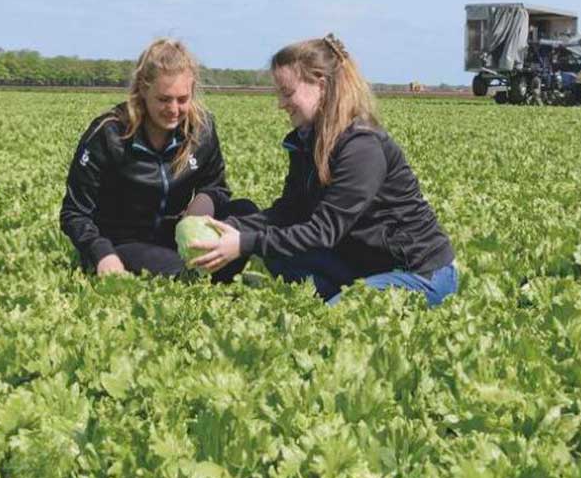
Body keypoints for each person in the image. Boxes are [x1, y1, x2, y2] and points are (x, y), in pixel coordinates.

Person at [189, 34, 457, 307]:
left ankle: (340, 296)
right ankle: (342, 291)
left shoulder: (361, 147)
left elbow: (322, 232)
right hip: (362, 263)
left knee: (332, 318)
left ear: (321, 86)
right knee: (277, 254)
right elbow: (288, 212)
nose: (281, 103)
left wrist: (244, 243)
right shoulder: (307, 141)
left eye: (287, 92)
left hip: (418, 272)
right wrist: (230, 229)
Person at [60, 38, 255, 281]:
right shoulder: (109, 134)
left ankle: (207, 274)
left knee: (248, 215)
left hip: (173, 235)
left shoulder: (201, 129)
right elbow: (74, 212)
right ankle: (200, 276)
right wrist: (101, 253)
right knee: (179, 271)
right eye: (164, 99)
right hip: (123, 242)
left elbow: (216, 185)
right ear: (143, 89)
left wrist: (205, 200)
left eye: (183, 99)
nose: (174, 109)